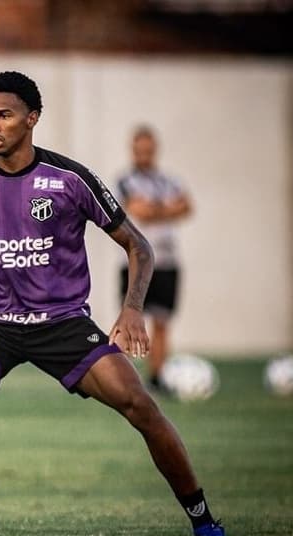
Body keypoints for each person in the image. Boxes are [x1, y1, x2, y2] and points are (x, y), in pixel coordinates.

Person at [0, 71, 234, 536]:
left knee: (140, 406)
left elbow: (138, 246)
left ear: (32, 118)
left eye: (4, 115)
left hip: (62, 323)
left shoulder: (69, 180)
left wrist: (131, 310)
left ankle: (203, 520)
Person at [116, 126, 192, 394]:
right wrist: (166, 209)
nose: (144, 155)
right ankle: (122, 380)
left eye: (148, 150)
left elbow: (186, 206)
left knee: (162, 320)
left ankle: (157, 378)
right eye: (139, 150)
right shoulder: (125, 181)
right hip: (136, 262)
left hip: (167, 261)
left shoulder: (169, 180)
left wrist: (158, 208)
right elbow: (140, 211)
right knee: (130, 320)